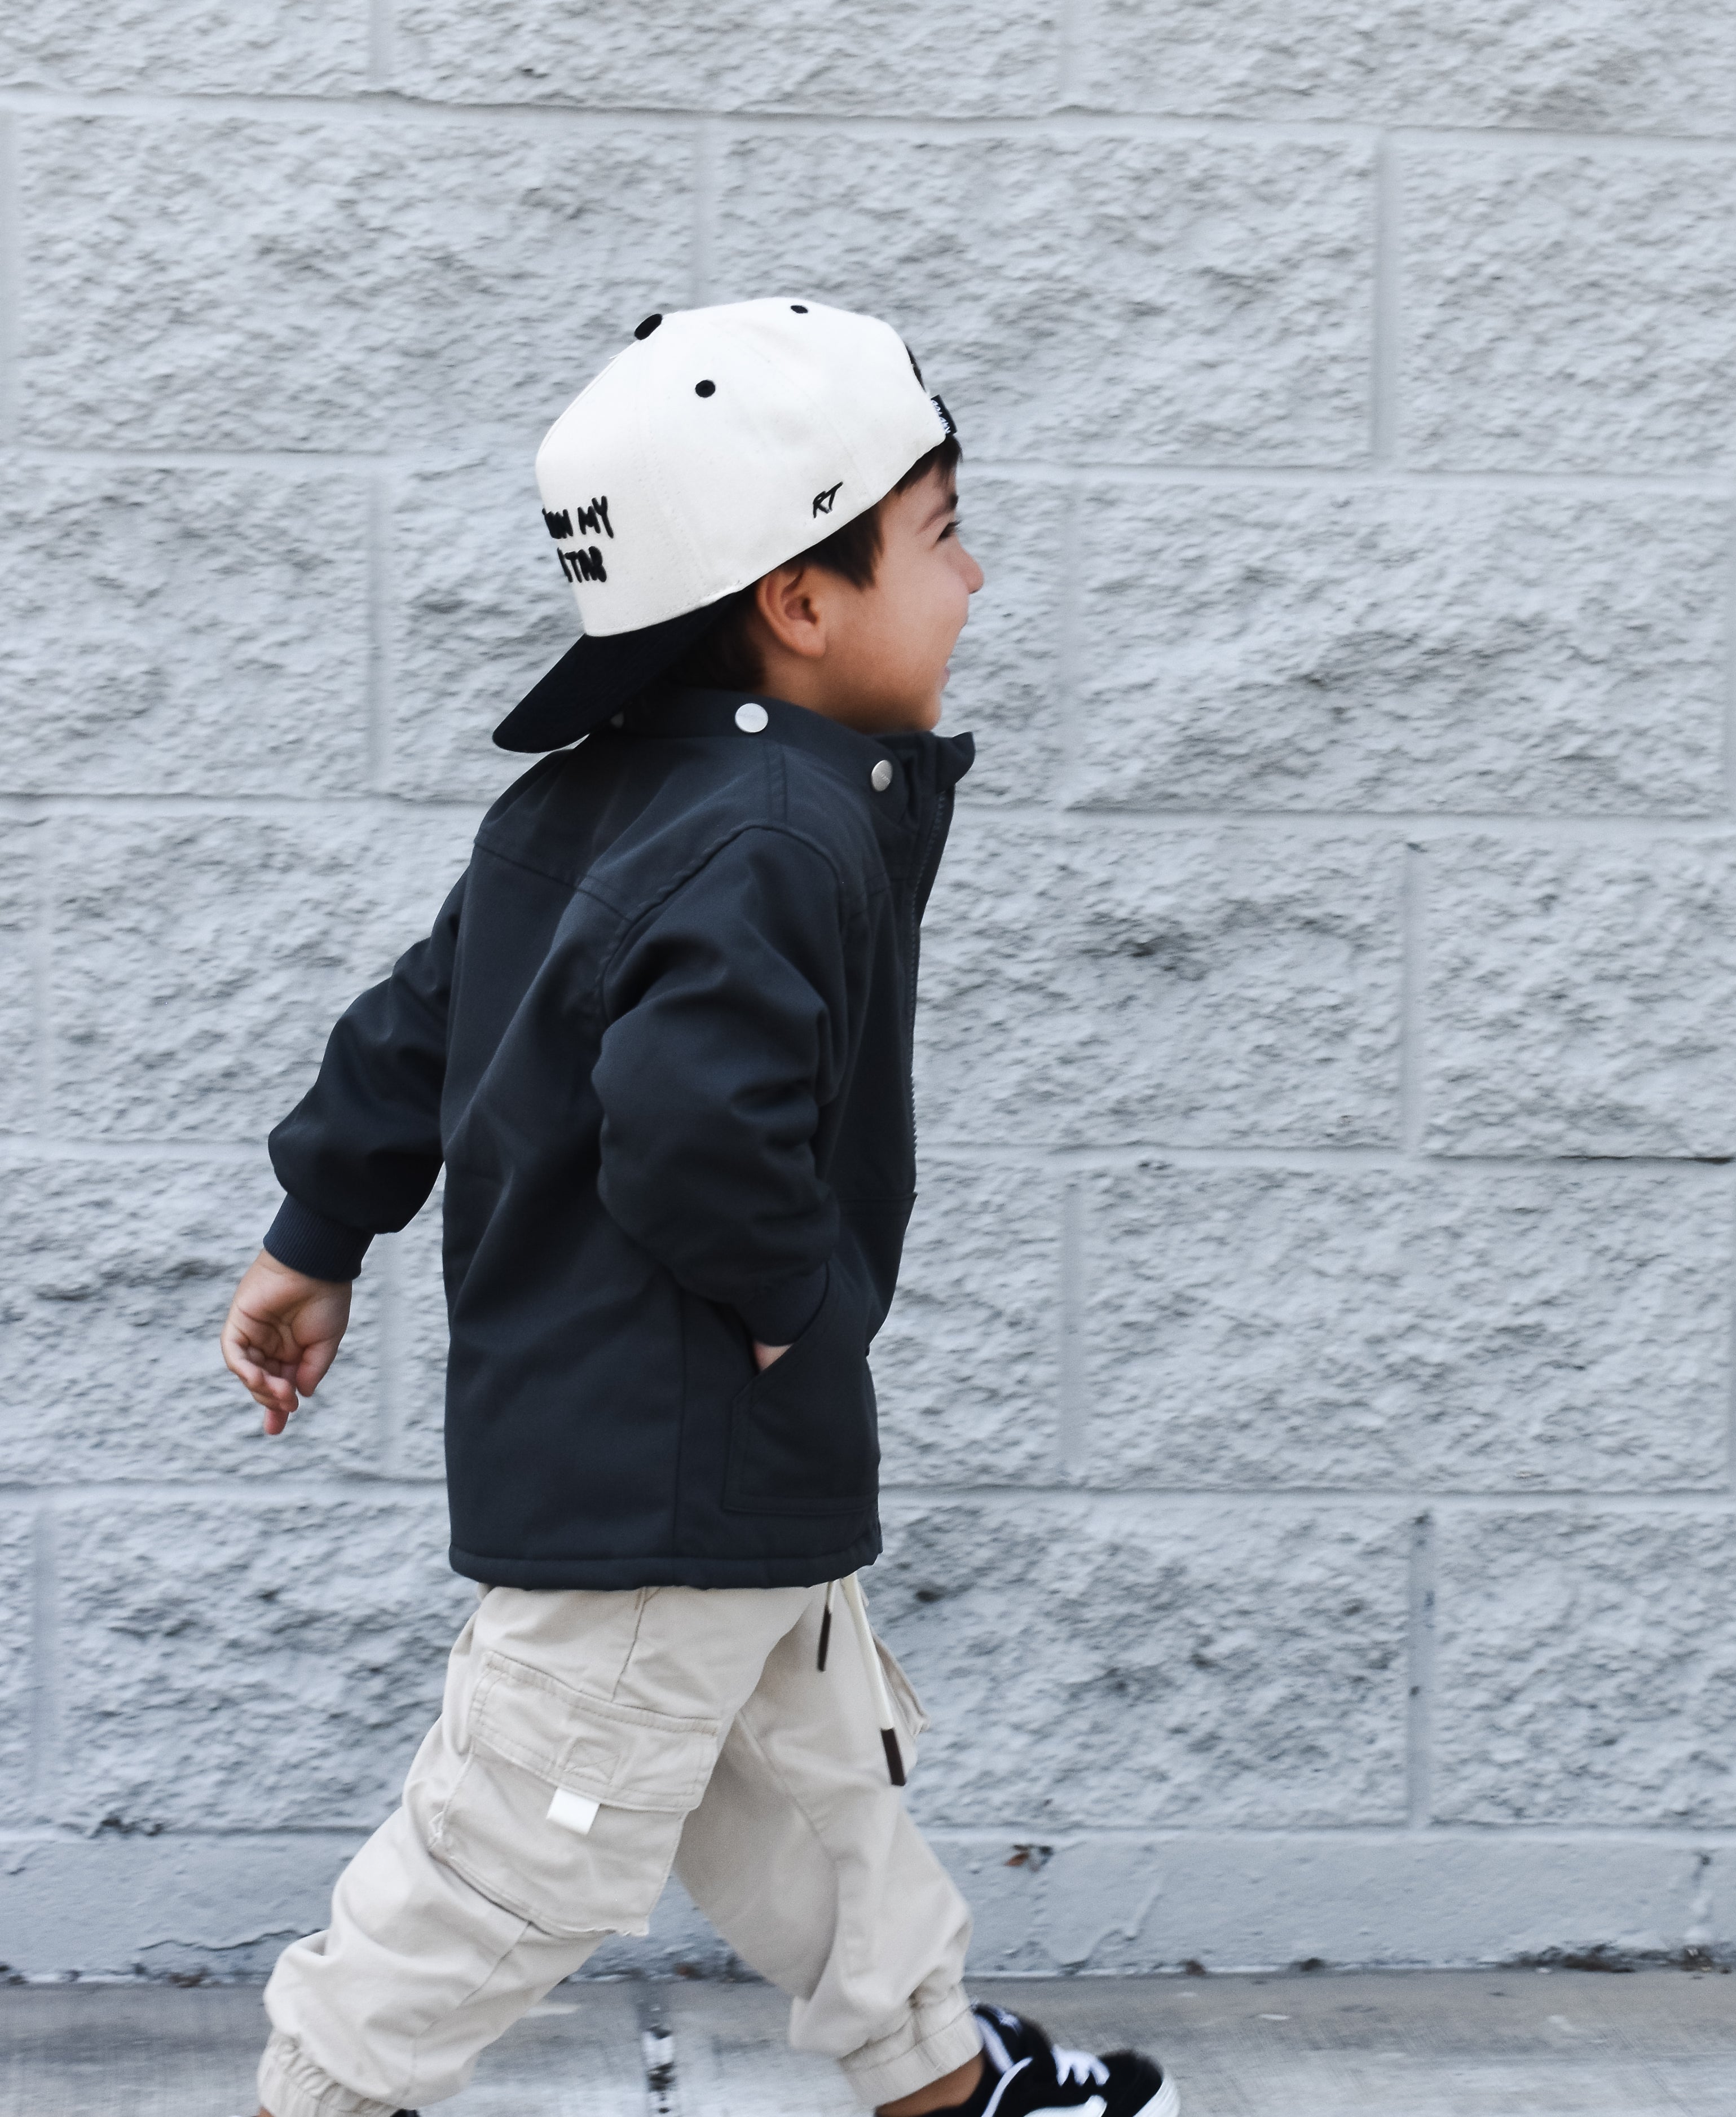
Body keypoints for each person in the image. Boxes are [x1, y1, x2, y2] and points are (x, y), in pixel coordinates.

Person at [218, 300, 1177, 2117]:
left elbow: (423, 1022)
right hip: (668, 1462)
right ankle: (316, 2101)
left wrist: (312, 1237)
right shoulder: (773, 828)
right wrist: (794, 1310)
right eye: (941, 530)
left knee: (819, 1796)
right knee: (523, 1849)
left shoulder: (599, 800)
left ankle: (937, 2077)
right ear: (801, 601)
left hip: (711, 1460)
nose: (972, 579)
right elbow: (686, 1120)